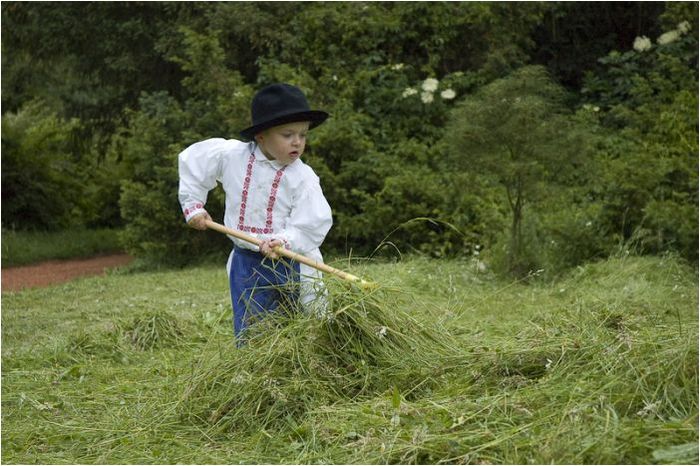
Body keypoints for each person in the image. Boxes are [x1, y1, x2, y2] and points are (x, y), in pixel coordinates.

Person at [178, 83, 333, 344]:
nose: (297, 142)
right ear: (261, 136)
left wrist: (284, 241)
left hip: (290, 262)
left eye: (303, 135)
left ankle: (301, 360)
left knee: (299, 324)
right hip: (246, 261)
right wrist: (193, 205)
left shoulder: (303, 178)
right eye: (288, 134)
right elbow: (195, 162)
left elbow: (312, 222)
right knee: (252, 326)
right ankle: (255, 361)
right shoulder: (232, 156)